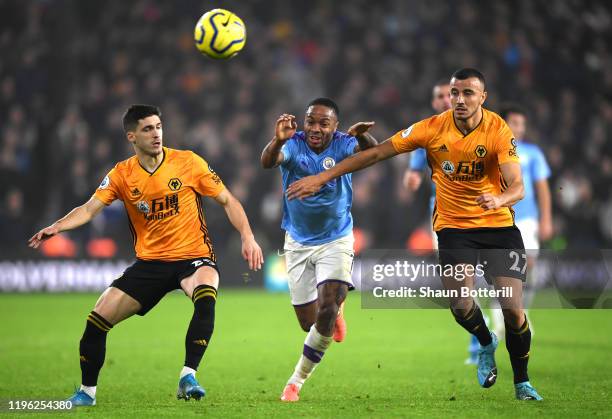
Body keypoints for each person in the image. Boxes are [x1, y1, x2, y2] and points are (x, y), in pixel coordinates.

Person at [286, 69, 543, 401]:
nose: (460, 100)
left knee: (513, 310)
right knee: (461, 305)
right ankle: (485, 342)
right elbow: (378, 153)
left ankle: (522, 382)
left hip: (498, 227)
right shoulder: (432, 128)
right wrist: (323, 177)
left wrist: (499, 198)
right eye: (454, 93)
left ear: (483, 97)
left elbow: (518, 186)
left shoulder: (497, 128)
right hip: (454, 230)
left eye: (468, 93)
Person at [28, 104, 264, 406]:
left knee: (206, 296)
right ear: (132, 136)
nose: (156, 134)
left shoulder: (188, 162)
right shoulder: (122, 174)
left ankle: (188, 376)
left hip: (193, 257)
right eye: (147, 129)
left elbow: (228, 200)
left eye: (158, 127)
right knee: (96, 322)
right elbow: (89, 209)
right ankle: (86, 393)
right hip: (150, 264)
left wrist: (247, 236)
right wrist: (57, 227)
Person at [261, 97, 377, 402]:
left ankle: (295, 381)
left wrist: (362, 135)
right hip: (297, 242)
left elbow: (372, 152)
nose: (315, 128)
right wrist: (276, 140)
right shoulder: (294, 144)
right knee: (308, 323)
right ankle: (335, 309)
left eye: (324, 123)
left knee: (326, 310)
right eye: (311, 121)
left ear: (335, 127)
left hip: (336, 238)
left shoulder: (342, 144)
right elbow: (267, 162)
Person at [488, 104, 553, 336]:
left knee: (530, 269)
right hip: (500, 219)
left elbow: (542, 188)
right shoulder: (491, 151)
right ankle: (500, 319)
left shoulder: (532, 153)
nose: (520, 128)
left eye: (522, 124)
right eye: (515, 123)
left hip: (527, 220)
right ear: (503, 124)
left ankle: (520, 314)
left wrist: (546, 219)